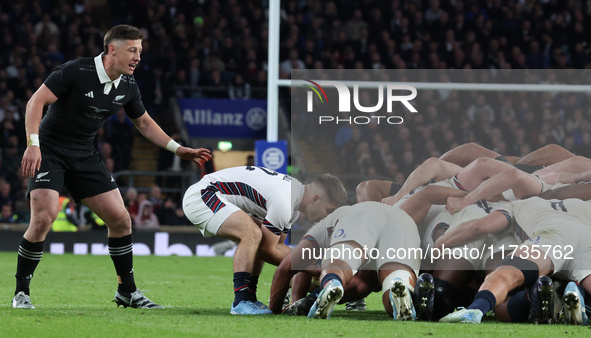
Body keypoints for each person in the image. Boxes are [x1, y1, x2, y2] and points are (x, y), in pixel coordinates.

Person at [13, 25, 211, 310]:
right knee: (44, 218)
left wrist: (177, 148)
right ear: (112, 50)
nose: (138, 57)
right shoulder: (76, 71)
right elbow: (36, 102)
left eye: (140, 51)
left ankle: (127, 292)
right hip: (50, 151)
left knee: (120, 220)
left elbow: (143, 122)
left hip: (84, 155)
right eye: (132, 50)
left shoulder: (128, 86)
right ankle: (21, 292)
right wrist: (33, 144)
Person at [182, 165, 347, 315]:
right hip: (203, 195)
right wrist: (311, 267)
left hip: (212, 194)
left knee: (258, 236)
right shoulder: (286, 201)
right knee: (252, 234)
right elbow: (267, 251)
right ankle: (241, 301)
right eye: (329, 210)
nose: (328, 216)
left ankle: (249, 298)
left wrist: (314, 262)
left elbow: (277, 246)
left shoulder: (293, 202)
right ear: (315, 199)